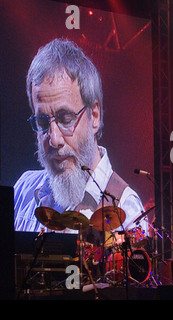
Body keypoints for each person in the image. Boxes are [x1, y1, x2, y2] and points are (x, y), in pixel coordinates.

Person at [13, 38, 148, 241]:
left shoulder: (126, 208)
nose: (54, 139)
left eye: (65, 118)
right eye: (42, 122)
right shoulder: (24, 189)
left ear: (94, 116)